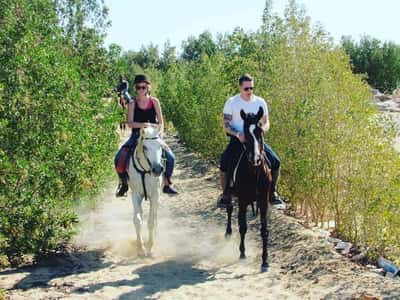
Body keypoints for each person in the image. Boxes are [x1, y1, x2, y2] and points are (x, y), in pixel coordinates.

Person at [217, 74, 284, 207]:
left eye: (251, 88)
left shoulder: (260, 102)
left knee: (275, 161)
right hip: (238, 140)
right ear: (240, 87)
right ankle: (226, 193)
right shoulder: (232, 102)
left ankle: (273, 192)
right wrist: (237, 134)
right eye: (246, 88)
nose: (249, 91)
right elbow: (225, 124)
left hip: (256, 141)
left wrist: (262, 130)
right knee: (224, 161)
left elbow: (266, 122)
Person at [114, 74, 178, 197]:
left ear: (148, 87)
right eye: (138, 87)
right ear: (135, 88)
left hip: (153, 136)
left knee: (171, 157)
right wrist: (144, 124)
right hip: (137, 136)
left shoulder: (155, 102)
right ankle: (124, 184)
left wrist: (161, 138)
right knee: (119, 158)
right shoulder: (132, 103)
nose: (141, 90)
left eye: (143, 87)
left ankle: (167, 183)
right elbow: (130, 124)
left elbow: (161, 122)